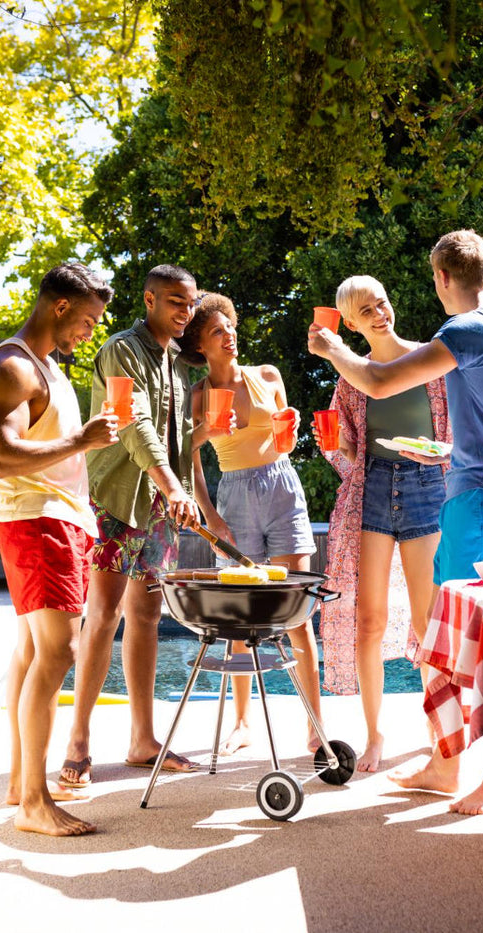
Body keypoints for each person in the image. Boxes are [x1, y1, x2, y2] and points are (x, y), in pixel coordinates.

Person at [307, 230, 483, 814]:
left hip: (481, 501)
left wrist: (332, 348)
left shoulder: (464, 330)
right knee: (446, 638)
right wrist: (451, 454)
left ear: (440, 279)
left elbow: (382, 381)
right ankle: (445, 765)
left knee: (482, 643)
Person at [58, 264, 227, 788]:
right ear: (150, 301)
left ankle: (142, 740)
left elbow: (177, 439)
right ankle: (79, 741)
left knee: (148, 616)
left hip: (159, 508)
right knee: (103, 615)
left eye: (191, 303)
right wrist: (171, 486)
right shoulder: (118, 350)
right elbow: (132, 422)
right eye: (176, 301)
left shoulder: (179, 364)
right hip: (115, 501)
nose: (186, 312)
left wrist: (199, 444)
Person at [0, 261, 120, 836]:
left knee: (32, 654)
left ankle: (19, 782)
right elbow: (1, 457)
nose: (90, 331)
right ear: (60, 308)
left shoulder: (47, 367)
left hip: (60, 521)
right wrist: (81, 438)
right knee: (57, 654)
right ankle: (35, 802)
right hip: (38, 523)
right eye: (87, 320)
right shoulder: (10, 367)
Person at [178, 293, 324, 755]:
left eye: (231, 327)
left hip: (281, 488)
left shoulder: (267, 376)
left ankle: (314, 723)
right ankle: (241, 723)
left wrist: (293, 427)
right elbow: (189, 459)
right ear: (200, 344)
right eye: (218, 331)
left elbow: (282, 442)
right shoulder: (198, 395)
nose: (230, 336)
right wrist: (212, 517)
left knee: (298, 611)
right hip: (234, 498)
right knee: (240, 620)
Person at [318, 275, 450, 773]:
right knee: (367, 623)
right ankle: (375, 736)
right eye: (366, 310)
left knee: (427, 623)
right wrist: (340, 449)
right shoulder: (351, 374)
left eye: (383, 303)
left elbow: (454, 430)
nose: (380, 313)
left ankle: (439, 731)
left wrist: (443, 462)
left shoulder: (428, 359)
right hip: (372, 490)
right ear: (349, 324)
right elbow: (341, 447)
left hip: (425, 487)